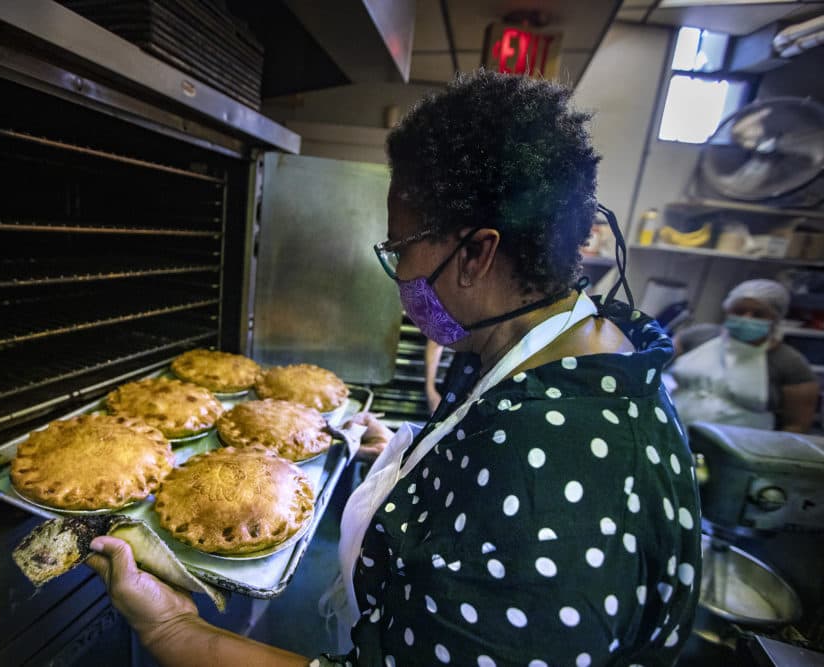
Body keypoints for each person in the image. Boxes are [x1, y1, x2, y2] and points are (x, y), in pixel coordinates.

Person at [87, 71, 702, 666]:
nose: (401, 278)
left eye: (401, 247)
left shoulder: (548, 458)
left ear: (477, 253)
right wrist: (404, 458)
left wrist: (173, 629)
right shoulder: (577, 353)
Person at [669, 278, 819, 433]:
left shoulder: (789, 363)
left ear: (775, 318)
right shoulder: (698, 336)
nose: (746, 318)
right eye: (739, 311)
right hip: (670, 431)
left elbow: (797, 425)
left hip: (737, 448)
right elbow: (650, 365)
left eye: (758, 314)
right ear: (727, 310)